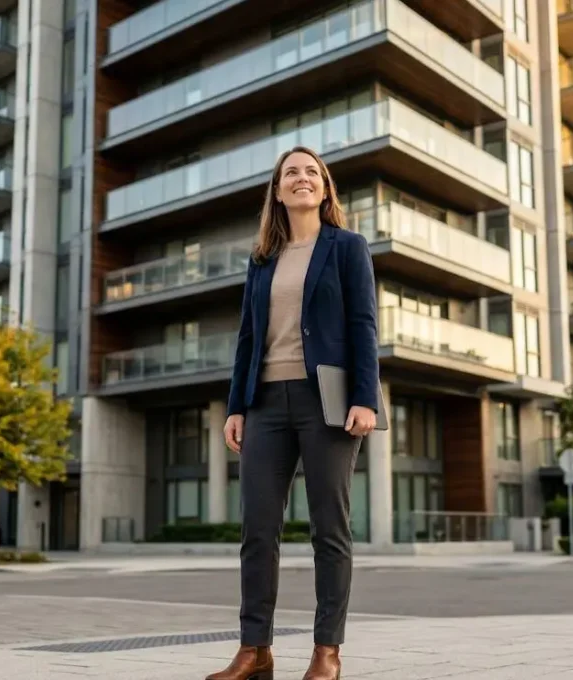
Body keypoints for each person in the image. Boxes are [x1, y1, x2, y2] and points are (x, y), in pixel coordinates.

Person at [206, 146, 380, 680]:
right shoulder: (263, 257)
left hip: (326, 399)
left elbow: (364, 325)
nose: (301, 178)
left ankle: (327, 652)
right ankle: (254, 650)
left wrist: (366, 397)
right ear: (278, 191)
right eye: (291, 173)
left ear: (324, 188)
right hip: (264, 402)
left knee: (330, 528)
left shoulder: (347, 247)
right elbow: (247, 336)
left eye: (311, 172)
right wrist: (236, 406)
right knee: (258, 529)